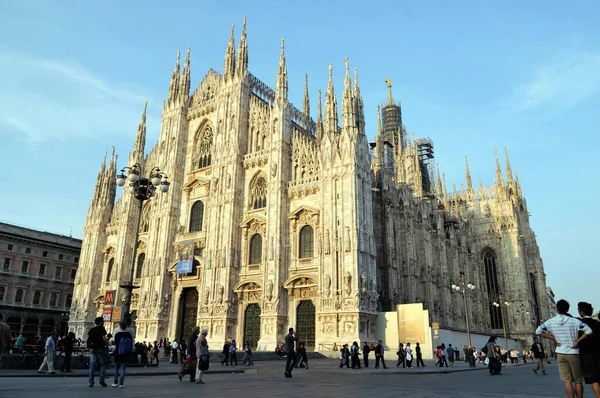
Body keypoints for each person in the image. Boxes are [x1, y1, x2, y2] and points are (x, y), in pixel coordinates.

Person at [536, 299, 593, 398]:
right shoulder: (574, 321)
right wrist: (577, 341)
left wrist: (552, 338)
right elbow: (588, 330)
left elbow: (538, 331)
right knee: (578, 380)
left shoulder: (551, 322)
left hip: (560, 353)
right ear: (567, 309)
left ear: (557, 309)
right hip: (573, 352)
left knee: (567, 380)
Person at [577, 301, 600, 398]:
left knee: (593, 380)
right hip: (598, 353)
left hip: (586, 355)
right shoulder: (597, 323)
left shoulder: (579, 324)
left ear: (582, 312)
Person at [87, 316, 108, 387]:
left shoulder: (92, 330)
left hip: (93, 348)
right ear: (100, 322)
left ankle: (91, 382)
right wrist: (107, 345)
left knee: (92, 365)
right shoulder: (102, 329)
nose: (103, 322)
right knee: (103, 364)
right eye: (103, 321)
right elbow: (104, 339)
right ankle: (102, 380)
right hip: (100, 348)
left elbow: (89, 339)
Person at [112, 322, 133, 388]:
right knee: (123, 368)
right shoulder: (129, 334)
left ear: (120, 327)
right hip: (125, 353)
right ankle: (121, 384)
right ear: (126, 327)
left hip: (118, 352)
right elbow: (131, 344)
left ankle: (115, 383)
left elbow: (115, 343)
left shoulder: (117, 334)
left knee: (116, 368)